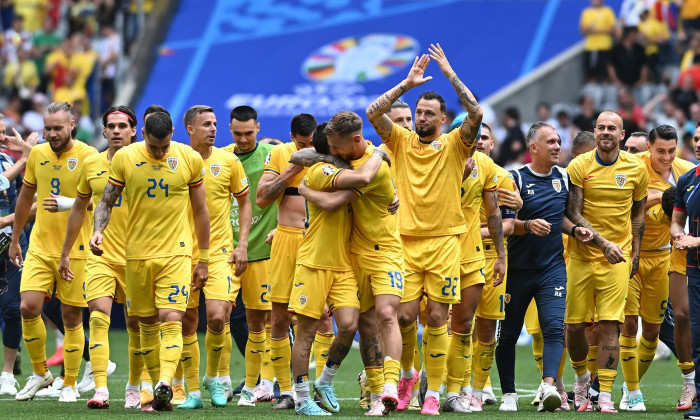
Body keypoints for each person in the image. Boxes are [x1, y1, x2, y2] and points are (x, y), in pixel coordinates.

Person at [365, 44, 480, 415]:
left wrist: (450, 74)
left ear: (444, 120)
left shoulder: (455, 146)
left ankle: (433, 392)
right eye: (419, 112)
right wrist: (407, 83)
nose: (422, 117)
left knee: (436, 318)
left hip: (446, 242)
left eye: (430, 113)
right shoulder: (399, 141)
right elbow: (372, 112)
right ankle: (407, 377)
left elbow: (476, 112)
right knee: (403, 317)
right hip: (405, 242)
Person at [90, 110, 210, 412]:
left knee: (171, 318)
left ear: (172, 132)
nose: (159, 152)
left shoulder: (189, 158)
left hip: (176, 253)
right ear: (143, 133)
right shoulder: (125, 158)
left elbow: (201, 211)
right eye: (154, 147)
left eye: (164, 145)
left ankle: (166, 382)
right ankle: (159, 393)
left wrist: (204, 258)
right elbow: (106, 200)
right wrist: (98, 231)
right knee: (144, 324)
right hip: (137, 255)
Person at [292, 111, 403, 416]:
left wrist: (394, 191)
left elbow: (371, 181)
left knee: (353, 325)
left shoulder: (361, 163)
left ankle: (328, 380)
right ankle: (302, 398)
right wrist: (304, 187)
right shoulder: (321, 171)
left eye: (337, 146)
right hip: (316, 261)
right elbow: (327, 191)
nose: (337, 151)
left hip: (348, 261)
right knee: (309, 330)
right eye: (331, 147)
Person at [495, 122, 593, 412]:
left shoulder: (563, 178)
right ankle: (509, 393)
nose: (557, 146)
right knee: (509, 333)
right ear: (533, 148)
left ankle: (548, 386)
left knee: (553, 328)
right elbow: (507, 226)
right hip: (518, 269)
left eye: (558, 141)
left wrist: (574, 231)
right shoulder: (514, 178)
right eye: (550, 142)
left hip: (552, 269)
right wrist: (528, 224)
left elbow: (561, 217)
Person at [10, 102, 98, 403]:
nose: (51, 133)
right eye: (47, 128)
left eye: (57, 128)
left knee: (71, 316)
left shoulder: (88, 155)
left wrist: (68, 202)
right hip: (39, 246)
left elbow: (98, 202)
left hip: (76, 249)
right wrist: (13, 239)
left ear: (71, 124)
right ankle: (40, 373)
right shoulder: (37, 154)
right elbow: (25, 197)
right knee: (27, 307)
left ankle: (70, 383)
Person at [565, 110, 648, 413]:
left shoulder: (636, 168)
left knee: (611, 324)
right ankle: (581, 377)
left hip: (619, 258)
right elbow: (573, 213)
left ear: (622, 135)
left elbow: (637, 215)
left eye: (612, 128)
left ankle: (605, 394)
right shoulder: (579, 166)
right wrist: (602, 243)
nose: (606, 132)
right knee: (574, 327)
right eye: (601, 127)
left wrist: (635, 252)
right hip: (583, 256)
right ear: (595, 131)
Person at [57, 106, 139, 409]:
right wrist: (66, 252)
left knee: (136, 325)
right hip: (100, 254)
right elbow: (79, 207)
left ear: (134, 130)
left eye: (122, 126)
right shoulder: (91, 163)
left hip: (138, 257)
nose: (116, 131)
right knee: (98, 317)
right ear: (103, 131)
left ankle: (134, 386)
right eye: (111, 126)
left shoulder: (146, 161)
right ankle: (101, 389)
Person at [176, 105, 252, 410]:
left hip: (220, 252)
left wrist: (242, 243)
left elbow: (245, 203)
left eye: (215, 124)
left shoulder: (229, 161)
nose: (214, 129)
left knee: (219, 316)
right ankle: (193, 392)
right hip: (181, 253)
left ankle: (212, 377)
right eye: (206, 124)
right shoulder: (177, 159)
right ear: (190, 129)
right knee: (186, 322)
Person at [619, 125, 696, 411]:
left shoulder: (686, 171)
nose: (666, 157)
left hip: (665, 258)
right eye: (660, 151)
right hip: (630, 255)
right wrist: (657, 196)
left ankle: (627, 386)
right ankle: (633, 393)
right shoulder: (632, 167)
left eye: (671, 151)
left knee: (652, 331)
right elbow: (622, 203)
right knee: (627, 324)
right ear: (648, 148)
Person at [441, 120, 508, 413]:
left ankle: (465, 390)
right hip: (436, 252)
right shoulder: (437, 158)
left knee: (469, 325)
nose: (475, 141)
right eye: (470, 135)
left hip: (472, 255)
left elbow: (496, 212)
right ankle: (426, 385)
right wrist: (457, 177)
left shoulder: (488, 167)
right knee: (432, 320)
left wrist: (503, 256)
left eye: (480, 136)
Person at [256, 113, 317, 410]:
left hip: (320, 242)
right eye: (301, 143)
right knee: (278, 318)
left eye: (311, 142)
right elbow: (262, 198)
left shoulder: (329, 153)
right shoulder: (279, 154)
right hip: (286, 239)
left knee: (321, 318)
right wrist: (292, 171)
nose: (307, 148)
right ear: (292, 137)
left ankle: (318, 387)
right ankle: (287, 391)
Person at [222, 106, 277, 406]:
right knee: (220, 316)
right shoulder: (221, 158)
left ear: (258, 127)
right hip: (225, 252)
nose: (243, 140)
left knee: (264, 321)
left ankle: (262, 382)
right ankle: (219, 379)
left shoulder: (272, 155)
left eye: (248, 133)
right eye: (237, 134)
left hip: (262, 252)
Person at [0, 114, 38, 396]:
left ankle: (7, 373)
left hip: (11, 243)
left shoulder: (7, 160)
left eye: (4, 132)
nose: (3, 138)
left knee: (14, 308)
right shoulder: (13, 163)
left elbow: (21, 197)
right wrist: (26, 155)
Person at [670, 125, 700, 419]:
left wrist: (698, 239)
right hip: (695, 267)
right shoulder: (687, 180)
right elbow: (678, 220)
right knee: (698, 333)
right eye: (697, 139)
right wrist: (678, 235)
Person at [580, 0, 616, 83]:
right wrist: (602, 29)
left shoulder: (608, 11)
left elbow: (612, 29)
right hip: (591, 47)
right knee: (591, 73)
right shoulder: (586, 12)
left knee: (605, 74)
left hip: (605, 46)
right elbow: (582, 30)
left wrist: (595, 30)